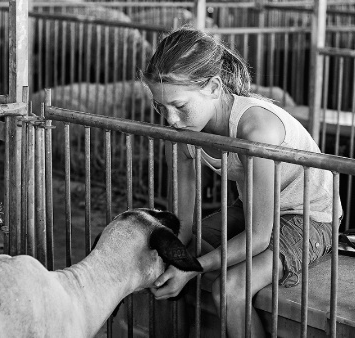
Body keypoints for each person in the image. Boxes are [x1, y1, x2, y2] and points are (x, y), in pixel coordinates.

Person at [141, 27, 342, 337]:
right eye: (160, 106)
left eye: (179, 106)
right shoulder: (183, 135)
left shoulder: (257, 130)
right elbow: (184, 222)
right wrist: (180, 257)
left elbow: (259, 237)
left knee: (230, 289)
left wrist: (192, 267)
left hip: (310, 215)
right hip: (252, 205)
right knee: (171, 251)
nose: (169, 120)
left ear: (213, 87)